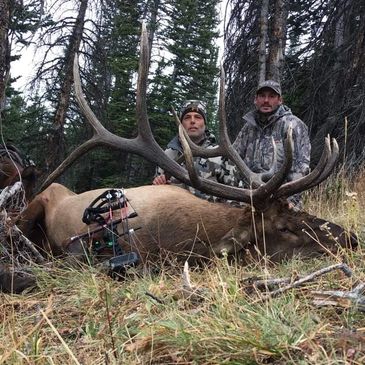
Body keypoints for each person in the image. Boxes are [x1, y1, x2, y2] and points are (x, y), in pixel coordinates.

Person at [220, 80, 311, 209]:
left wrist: (292, 201)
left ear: (280, 100)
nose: (266, 100)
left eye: (272, 96)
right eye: (262, 96)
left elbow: (301, 168)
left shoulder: (294, 125)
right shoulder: (249, 127)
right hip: (249, 197)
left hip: (280, 200)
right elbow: (233, 160)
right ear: (255, 100)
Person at [152, 100, 221, 200]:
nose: (192, 121)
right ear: (181, 124)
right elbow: (155, 197)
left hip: (212, 214)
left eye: (198, 117)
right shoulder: (167, 156)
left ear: (204, 123)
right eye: (187, 117)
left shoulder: (219, 156)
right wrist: (157, 186)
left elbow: (235, 201)